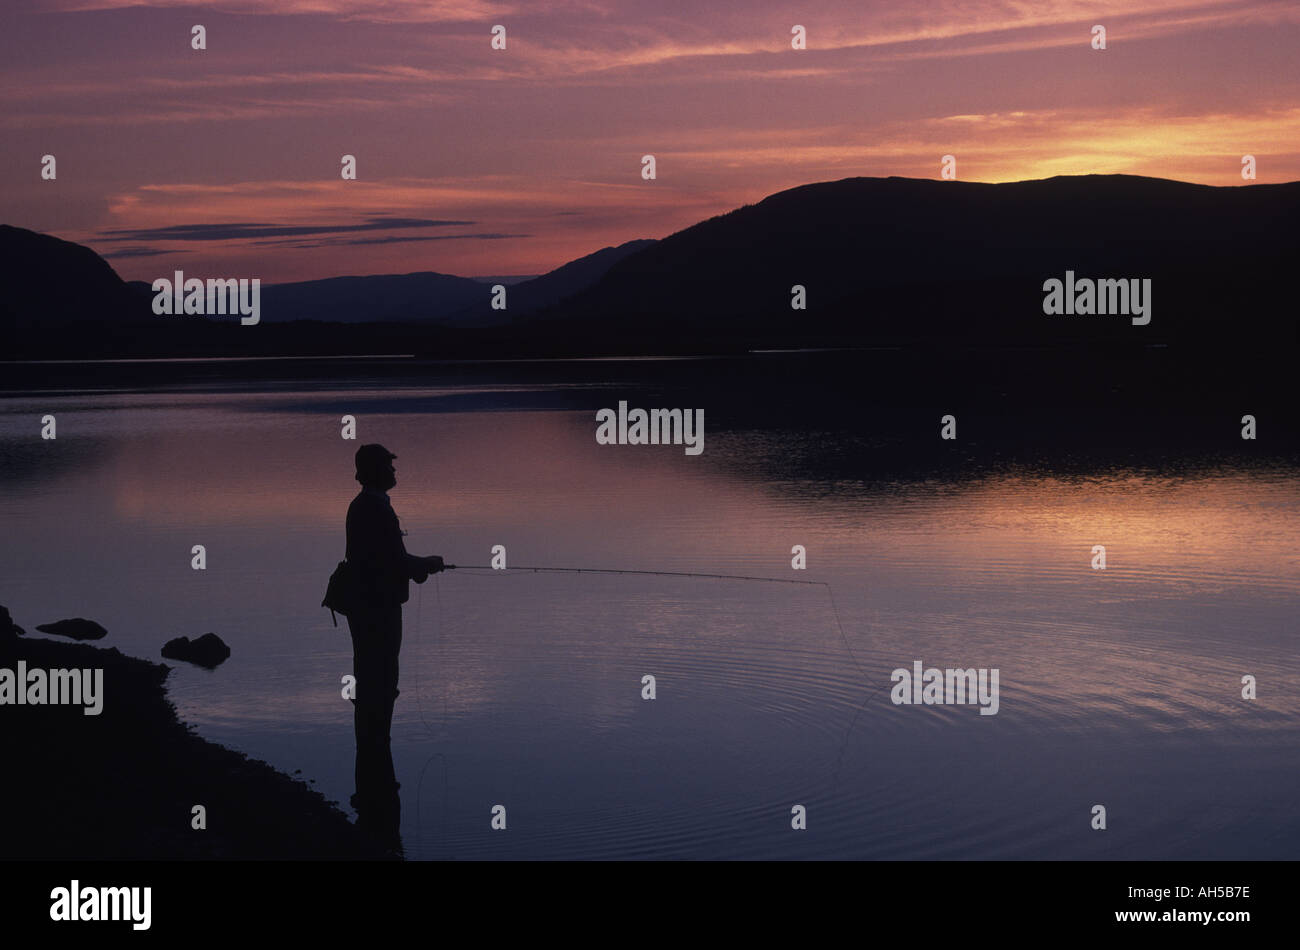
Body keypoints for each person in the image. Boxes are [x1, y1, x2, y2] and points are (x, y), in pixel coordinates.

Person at [345, 443, 443, 845]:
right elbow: (389, 562)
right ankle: (375, 751)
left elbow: (389, 558)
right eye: (388, 464)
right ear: (375, 471)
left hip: (372, 605)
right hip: (377, 608)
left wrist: (418, 565)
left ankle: (374, 768)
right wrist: (425, 565)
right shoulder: (373, 508)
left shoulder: (368, 505)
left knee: (375, 677)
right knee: (379, 677)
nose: (394, 470)